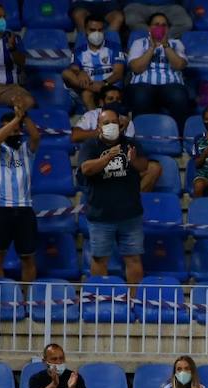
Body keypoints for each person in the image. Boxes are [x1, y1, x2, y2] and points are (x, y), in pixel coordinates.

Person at [78, 107, 148, 292]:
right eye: (105, 123)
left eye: (113, 122)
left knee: (133, 258)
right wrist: (108, 157)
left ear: (120, 124)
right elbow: (86, 169)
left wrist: (133, 161)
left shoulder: (131, 144)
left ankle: (134, 301)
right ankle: (100, 300)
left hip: (130, 215)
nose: (110, 126)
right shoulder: (90, 146)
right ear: (99, 127)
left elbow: (144, 165)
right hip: (101, 216)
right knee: (100, 259)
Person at [0, 105, 39, 288]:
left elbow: (36, 136)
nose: (12, 132)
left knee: (28, 258)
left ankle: (27, 300)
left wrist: (24, 115)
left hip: (24, 210)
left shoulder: (26, 150)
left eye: (16, 129)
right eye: (8, 129)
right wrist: (16, 120)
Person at [125, 12, 190, 118]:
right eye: (156, 24)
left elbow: (179, 65)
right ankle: (140, 133)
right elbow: (136, 68)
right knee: (140, 96)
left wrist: (166, 46)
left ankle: (178, 133)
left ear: (168, 29)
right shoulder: (139, 43)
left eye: (164, 25)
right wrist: (151, 48)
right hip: (142, 84)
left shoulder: (176, 43)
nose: (160, 27)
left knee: (179, 96)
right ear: (149, 28)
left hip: (171, 85)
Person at [70, 17, 127, 111]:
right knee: (84, 92)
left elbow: (118, 73)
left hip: (109, 86)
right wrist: (80, 72)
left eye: (100, 30)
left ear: (104, 31)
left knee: (110, 95)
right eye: (92, 30)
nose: (96, 33)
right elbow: (73, 69)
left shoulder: (114, 48)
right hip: (90, 87)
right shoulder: (78, 51)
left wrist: (104, 84)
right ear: (85, 31)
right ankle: (94, 120)